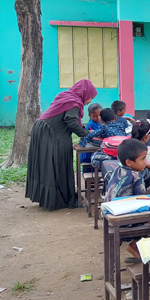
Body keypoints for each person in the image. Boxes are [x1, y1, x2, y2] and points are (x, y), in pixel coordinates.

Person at [26, 79, 97, 210]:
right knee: (56, 163)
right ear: (84, 93)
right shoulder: (73, 103)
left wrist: (86, 131)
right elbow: (72, 123)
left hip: (43, 129)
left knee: (49, 165)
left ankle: (52, 198)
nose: (90, 101)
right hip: (50, 133)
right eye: (90, 97)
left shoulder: (67, 97)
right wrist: (90, 136)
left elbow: (72, 121)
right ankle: (58, 200)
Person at [105, 138, 150, 259]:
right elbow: (142, 200)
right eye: (143, 159)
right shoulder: (136, 176)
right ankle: (135, 245)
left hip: (111, 214)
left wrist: (144, 165)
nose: (145, 161)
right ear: (129, 162)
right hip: (125, 220)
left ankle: (120, 240)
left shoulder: (118, 169)